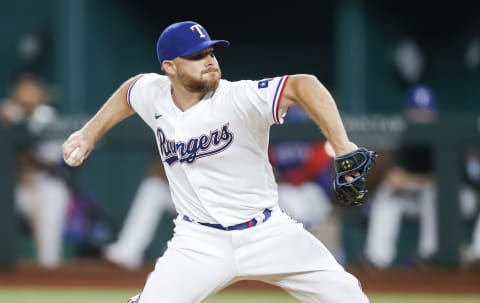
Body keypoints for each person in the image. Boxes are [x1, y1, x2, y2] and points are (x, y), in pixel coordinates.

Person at [62, 21, 370, 303]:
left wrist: (343, 146)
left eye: (210, 52)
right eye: (196, 56)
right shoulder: (153, 93)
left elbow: (305, 84)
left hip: (268, 232)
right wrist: (89, 133)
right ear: (170, 67)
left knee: (349, 298)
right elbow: (130, 90)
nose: (209, 60)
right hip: (199, 241)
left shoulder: (239, 97)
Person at [0, 72, 71, 268]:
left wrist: (18, 146)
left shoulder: (47, 117)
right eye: (22, 88)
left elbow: (49, 163)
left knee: (48, 257)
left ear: (40, 93)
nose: (26, 93)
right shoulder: (9, 112)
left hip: (47, 187)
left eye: (31, 89)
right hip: (16, 189)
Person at [102, 157, 176, 270]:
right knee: (154, 187)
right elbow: (158, 168)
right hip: (189, 198)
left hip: (209, 204)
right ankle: (128, 252)